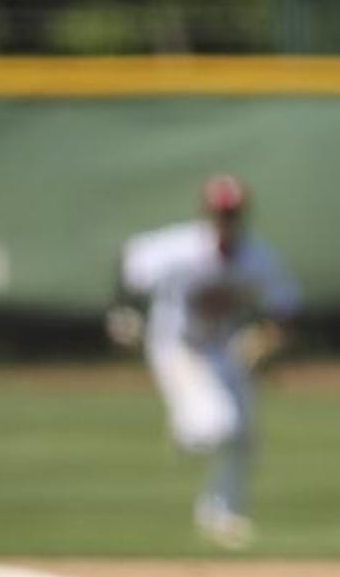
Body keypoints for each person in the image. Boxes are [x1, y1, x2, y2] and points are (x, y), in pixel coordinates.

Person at [108, 174, 301, 550]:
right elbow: (129, 261)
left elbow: (287, 307)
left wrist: (267, 338)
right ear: (207, 212)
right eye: (220, 212)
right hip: (178, 347)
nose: (226, 219)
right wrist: (121, 311)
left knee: (242, 436)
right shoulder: (179, 248)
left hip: (227, 350)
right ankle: (186, 431)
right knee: (215, 427)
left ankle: (221, 515)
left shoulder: (257, 256)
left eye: (232, 213)